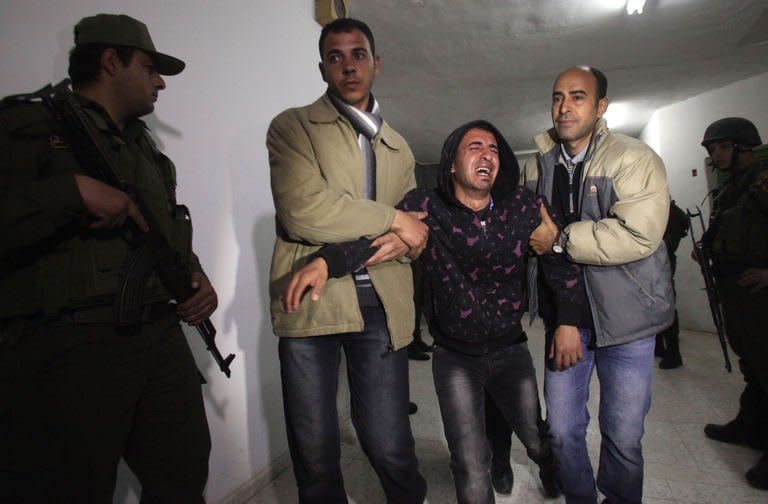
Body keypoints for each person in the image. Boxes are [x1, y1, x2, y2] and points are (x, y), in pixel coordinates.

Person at [285, 120, 582, 503]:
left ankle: (545, 467)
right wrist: (329, 261)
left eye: (493, 149)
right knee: (470, 462)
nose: (487, 155)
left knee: (535, 436)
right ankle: (494, 466)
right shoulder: (426, 206)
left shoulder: (523, 206)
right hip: (455, 357)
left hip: (511, 350)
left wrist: (569, 321)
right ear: (453, 165)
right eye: (474, 147)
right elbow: (384, 241)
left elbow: (560, 262)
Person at [0, 14, 215, 503]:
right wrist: (68, 192)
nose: (160, 81)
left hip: (158, 335)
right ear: (111, 61)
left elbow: (163, 234)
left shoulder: (146, 150)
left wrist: (194, 276)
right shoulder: (28, 124)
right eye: (149, 67)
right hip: (67, 343)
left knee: (183, 471)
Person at [266, 18, 428, 503]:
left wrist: (410, 233)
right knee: (314, 449)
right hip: (311, 302)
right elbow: (305, 212)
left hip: (382, 302)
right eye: (335, 57)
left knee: (389, 441)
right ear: (322, 68)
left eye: (358, 54)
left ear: (376, 64)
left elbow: (416, 228)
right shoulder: (293, 126)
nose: (348, 65)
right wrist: (394, 220)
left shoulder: (400, 147)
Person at [523, 66, 674, 504]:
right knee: (564, 432)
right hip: (565, 321)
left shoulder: (634, 158)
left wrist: (561, 240)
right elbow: (530, 238)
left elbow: (639, 235)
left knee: (623, 436)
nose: (564, 107)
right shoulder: (538, 164)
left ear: (600, 106)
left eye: (577, 96)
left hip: (627, 322)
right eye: (557, 97)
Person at [699, 117, 768, 490]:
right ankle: (751, 426)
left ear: (744, 146)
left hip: (761, 292)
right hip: (736, 290)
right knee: (754, 364)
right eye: (712, 150)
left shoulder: (763, 181)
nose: (715, 155)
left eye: (722, 147)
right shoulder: (732, 189)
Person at [655, 199, 688, 369]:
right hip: (653, 264)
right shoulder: (661, 209)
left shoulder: (673, 213)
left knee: (666, 306)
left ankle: (674, 353)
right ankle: (659, 345)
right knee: (654, 305)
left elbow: (669, 245)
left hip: (663, 263)